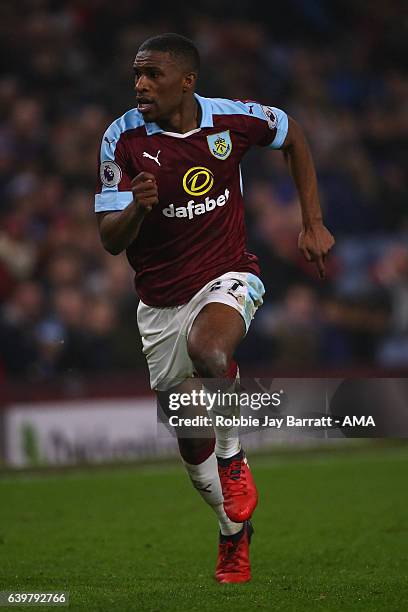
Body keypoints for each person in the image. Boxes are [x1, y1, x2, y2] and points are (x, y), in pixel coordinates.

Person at [95, 33, 335, 583]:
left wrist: (312, 220)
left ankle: (234, 457)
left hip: (228, 274)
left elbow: (294, 134)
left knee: (211, 349)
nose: (140, 84)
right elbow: (110, 239)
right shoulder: (121, 139)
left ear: (186, 80)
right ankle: (233, 535)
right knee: (189, 438)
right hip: (159, 304)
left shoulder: (231, 121)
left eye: (152, 74)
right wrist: (136, 206)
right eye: (136, 74)